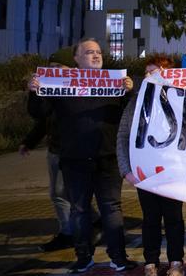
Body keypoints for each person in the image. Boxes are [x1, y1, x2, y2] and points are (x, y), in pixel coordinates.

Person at [27, 38, 137, 273]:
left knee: (112, 208)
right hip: (74, 159)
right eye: (89, 52)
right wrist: (35, 92)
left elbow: (132, 114)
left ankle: (118, 257)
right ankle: (83, 257)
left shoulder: (114, 82)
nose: (96, 56)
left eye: (98, 52)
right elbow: (39, 113)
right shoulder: (59, 84)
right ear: (76, 59)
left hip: (107, 158)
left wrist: (130, 91)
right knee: (79, 211)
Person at [117, 55, 185, 276]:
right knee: (150, 220)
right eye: (146, 72)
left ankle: (176, 261)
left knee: (174, 219)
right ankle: (151, 262)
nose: (148, 76)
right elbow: (123, 136)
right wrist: (126, 170)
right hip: (144, 173)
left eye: (154, 71)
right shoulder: (136, 101)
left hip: (171, 172)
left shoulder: (179, 99)